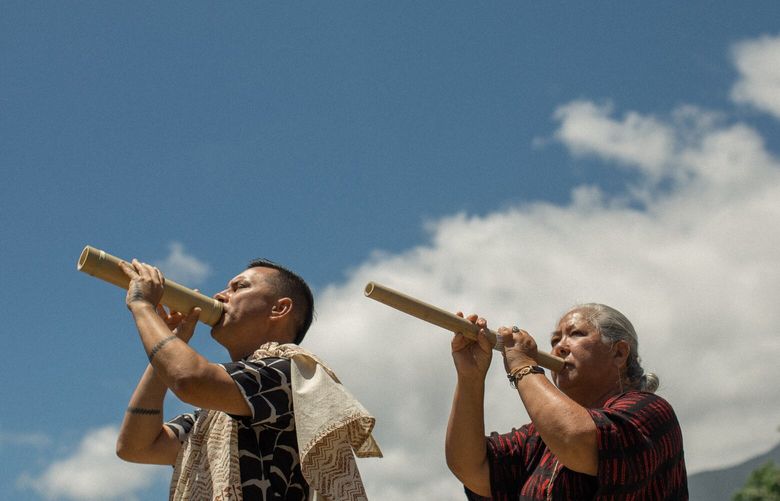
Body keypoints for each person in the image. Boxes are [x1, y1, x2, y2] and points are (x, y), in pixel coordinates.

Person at [115, 258, 380, 500]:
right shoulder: (213, 418)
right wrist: (172, 339)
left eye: (238, 287)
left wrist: (142, 307)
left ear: (279, 308)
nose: (220, 295)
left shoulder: (289, 375)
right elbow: (135, 446)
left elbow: (189, 380)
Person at [445, 303, 688, 500]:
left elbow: (577, 439)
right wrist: (470, 378)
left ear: (619, 352)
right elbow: (471, 468)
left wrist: (522, 366)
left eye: (576, 334)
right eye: (554, 341)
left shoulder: (650, 411)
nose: (559, 347)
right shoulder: (539, 439)